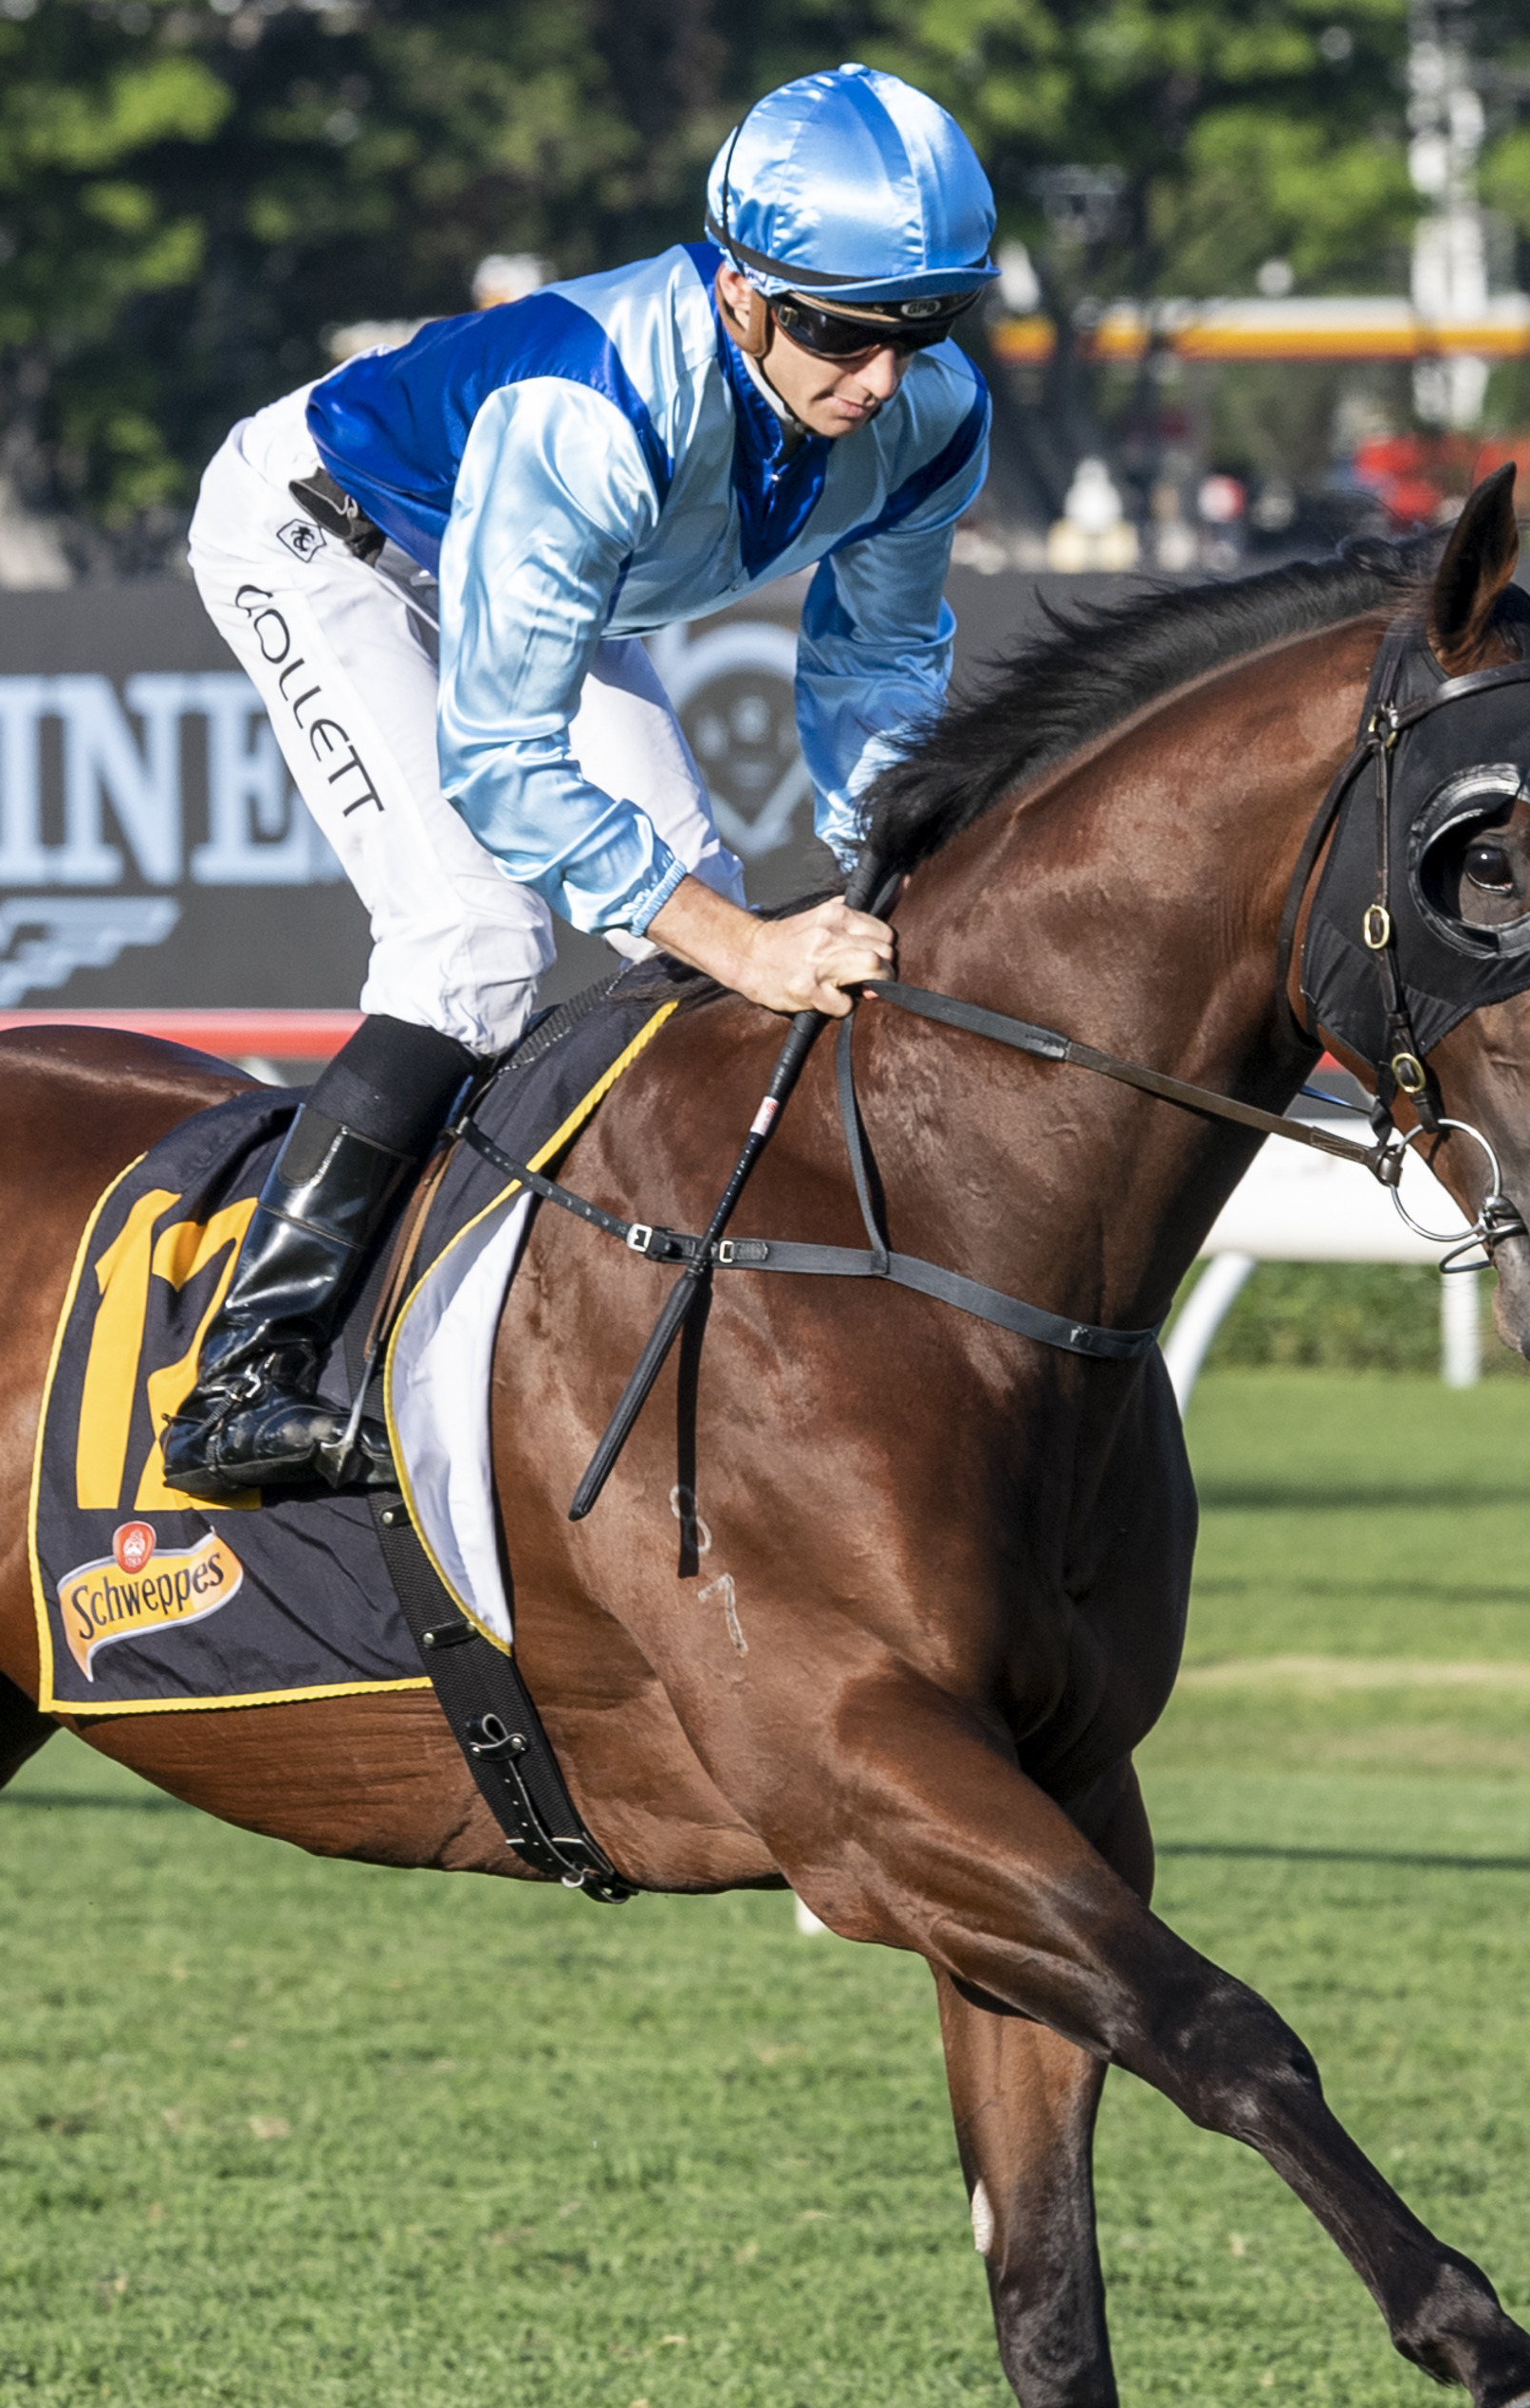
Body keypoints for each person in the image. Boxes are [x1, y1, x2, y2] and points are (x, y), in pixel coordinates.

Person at [158, 63, 997, 1498]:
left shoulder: (929, 416)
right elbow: (501, 762)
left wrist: (892, 880)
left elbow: (877, 677)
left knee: (699, 933)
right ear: (742, 293)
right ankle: (243, 1375)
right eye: (847, 336)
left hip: (562, 579)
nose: (882, 382)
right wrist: (747, 947)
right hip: (326, 539)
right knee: (478, 944)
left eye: (922, 335)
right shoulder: (594, 407)